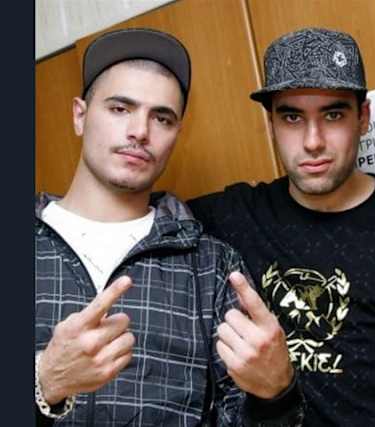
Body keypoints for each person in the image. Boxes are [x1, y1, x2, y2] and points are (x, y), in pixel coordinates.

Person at [35, 28, 304, 426]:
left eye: (162, 118)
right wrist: (43, 383)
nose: (140, 132)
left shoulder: (210, 266)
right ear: (80, 115)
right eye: (120, 108)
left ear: (177, 133)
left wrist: (276, 393)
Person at [188, 28, 375, 426]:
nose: (313, 141)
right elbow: (133, 212)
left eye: (333, 115)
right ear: (271, 123)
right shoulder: (237, 215)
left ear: (363, 117)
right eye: (292, 117)